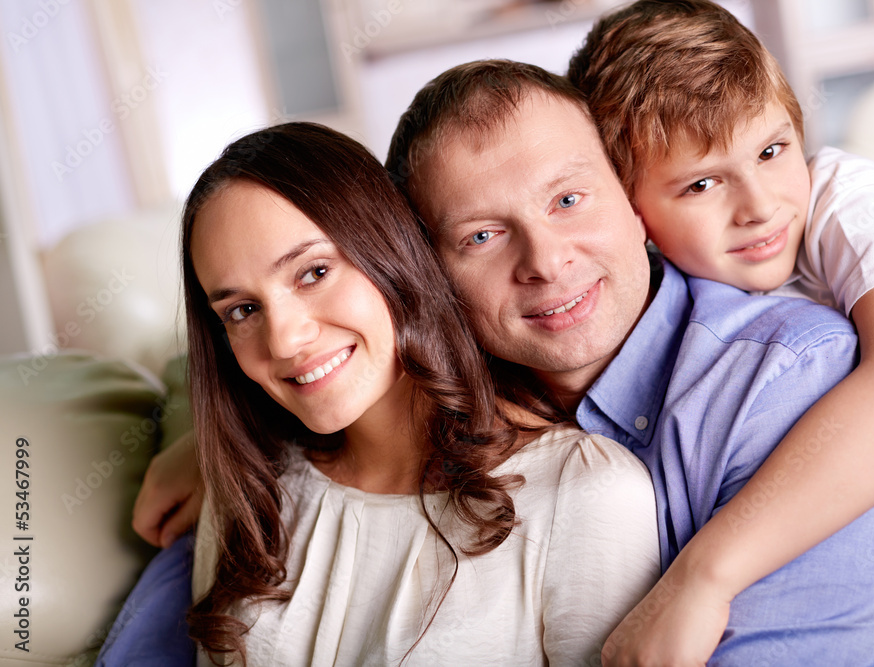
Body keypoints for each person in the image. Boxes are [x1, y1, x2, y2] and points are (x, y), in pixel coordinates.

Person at [128, 61, 874, 666]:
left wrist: (705, 574)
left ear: (634, 198)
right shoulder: (455, 374)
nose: (545, 260)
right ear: (424, 268)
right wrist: (209, 433)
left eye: (570, 199)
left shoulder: (791, 373)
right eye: (481, 235)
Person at [98, 122, 660, 665]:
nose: (285, 339)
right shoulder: (247, 493)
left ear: (393, 254)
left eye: (313, 272)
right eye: (242, 310)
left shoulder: (586, 494)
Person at [568, 0, 874, 658]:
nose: (761, 205)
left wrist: (702, 578)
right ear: (630, 211)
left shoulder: (844, 203)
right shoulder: (680, 306)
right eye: (703, 183)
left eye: (772, 149)